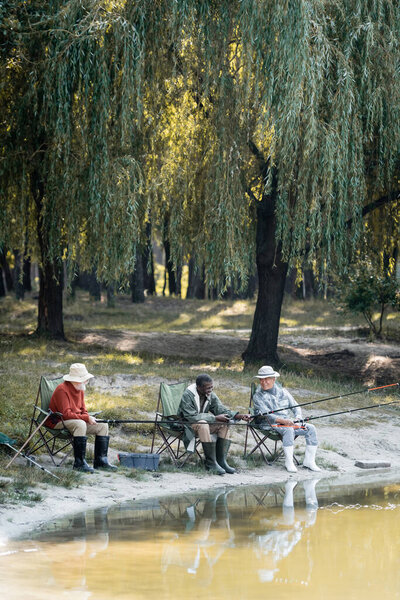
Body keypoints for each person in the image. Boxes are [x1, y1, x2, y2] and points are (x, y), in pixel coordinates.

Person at [45, 363, 116, 473]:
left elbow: (84, 410)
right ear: (75, 380)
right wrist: (86, 418)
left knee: (103, 425)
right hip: (58, 421)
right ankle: (79, 463)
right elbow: (65, 414)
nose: (87, 381)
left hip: (75, 421)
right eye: (85, 379)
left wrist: (88, 416)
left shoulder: (80, 388)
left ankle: (101, 461)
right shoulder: (62, 390)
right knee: (80, 424)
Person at [178, 373, 251, 475]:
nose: (210, 390)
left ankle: (221, 461)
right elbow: (191, 417)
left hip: (202, 426)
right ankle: (210, 463)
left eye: (212, 387)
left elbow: (221, 410)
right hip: (187, 426)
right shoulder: (188, 395)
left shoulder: (210, 394)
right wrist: (214, 418)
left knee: (224, 424)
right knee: (203, 423)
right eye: (208, 388)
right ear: (199, 387)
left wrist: (239, 416)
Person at [252, 365, 321, 473]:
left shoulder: (283, 391)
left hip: (288, 422)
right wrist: (284, 421)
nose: (263, 382)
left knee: (310, 428)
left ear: (274, 379)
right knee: (288, 429)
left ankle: (309, 461)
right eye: (261, 379)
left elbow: (296, 407)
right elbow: (267, 414)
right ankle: (289, 462)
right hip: (269, 424)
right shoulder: (258, 396)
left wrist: (298, 417)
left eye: (266, 379)